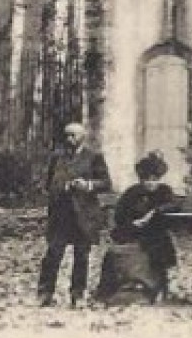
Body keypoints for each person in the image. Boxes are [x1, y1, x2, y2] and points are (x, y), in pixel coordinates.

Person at [37, 122, 113, 307]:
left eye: (74, 135)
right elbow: (47, 183)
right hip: (61, 213)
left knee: (81, 254)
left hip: (84, 213)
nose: (70, 139)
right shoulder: (57, 156)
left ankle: (77, 294)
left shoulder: (94, 157)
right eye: (67, 135)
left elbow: (106, 183)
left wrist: (87, 185)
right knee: (54, 253)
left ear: (82, 137)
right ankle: (45, 293)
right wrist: (61, 186)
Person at [95, 151, 179, 305]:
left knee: (159, 250)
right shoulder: (132, 192)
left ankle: (155, 287)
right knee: (114, 253)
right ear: (141, 179)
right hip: (132, 232)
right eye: (146, 179)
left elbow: (173, 205)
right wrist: (133, 223)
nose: (150, 183)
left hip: (156, 234)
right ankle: (112, 290)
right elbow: (120, 215)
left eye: (154, 180)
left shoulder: (164, 191)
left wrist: (154, 212)